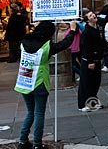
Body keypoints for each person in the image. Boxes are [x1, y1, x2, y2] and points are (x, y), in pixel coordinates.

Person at [15, 20, 77, 149]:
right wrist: (72, 30)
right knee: (39, 114)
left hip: (24, 81)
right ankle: (37, 144)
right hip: (39, 82)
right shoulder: (46, 46)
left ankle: (22, 141)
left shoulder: (24, 42)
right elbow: (65, 43)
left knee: (30, 112)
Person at [78, 11, 103, 112]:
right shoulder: (87, 32)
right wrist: (90, 61)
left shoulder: (97, 28)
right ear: (87, 20)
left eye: (93, 14)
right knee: (86, 83)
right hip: (89, 60)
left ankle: (93, 101)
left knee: (95, 82)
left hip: (97, 59)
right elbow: (86, 47)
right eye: (90, 15)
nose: (93, 16)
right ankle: (82, 104)